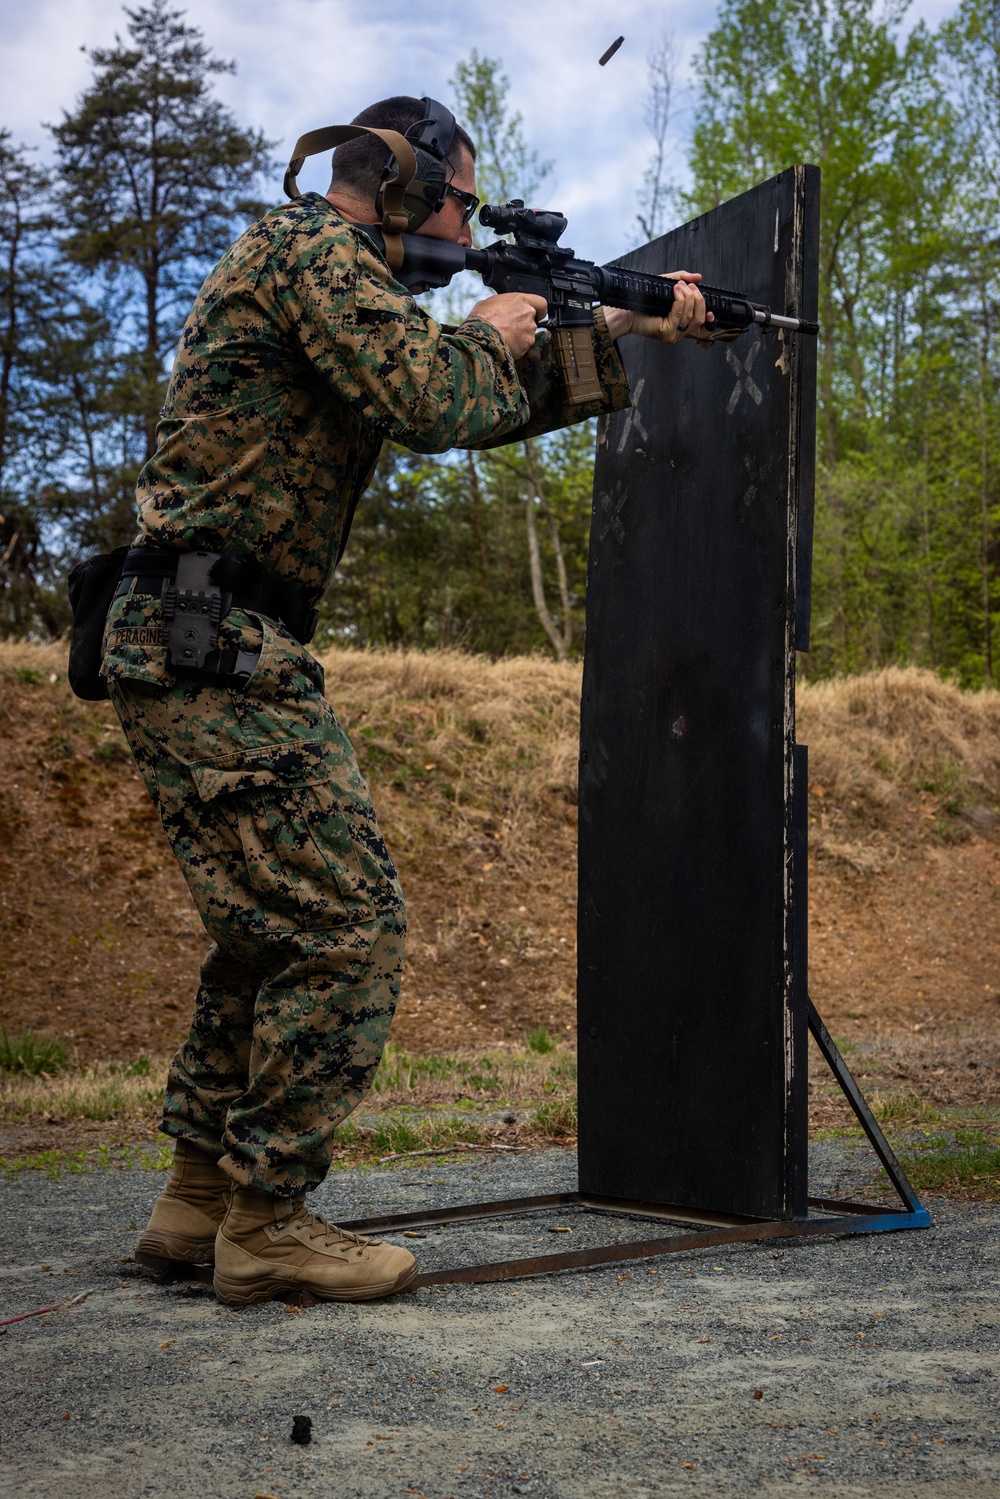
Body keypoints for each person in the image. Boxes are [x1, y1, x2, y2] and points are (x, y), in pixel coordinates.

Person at [101, 95, 709, 1306]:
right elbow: (437, 394)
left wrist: (624, 334)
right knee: (346, 926)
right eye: (460, 203)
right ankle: (268, 1218)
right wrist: (498, 320)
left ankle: (200, 1201)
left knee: (267, 930)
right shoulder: (308, 252)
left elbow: (472, 405)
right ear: (397, 186)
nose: (464, 226)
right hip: (210, 634)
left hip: (202, 632)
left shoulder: (324, 279)